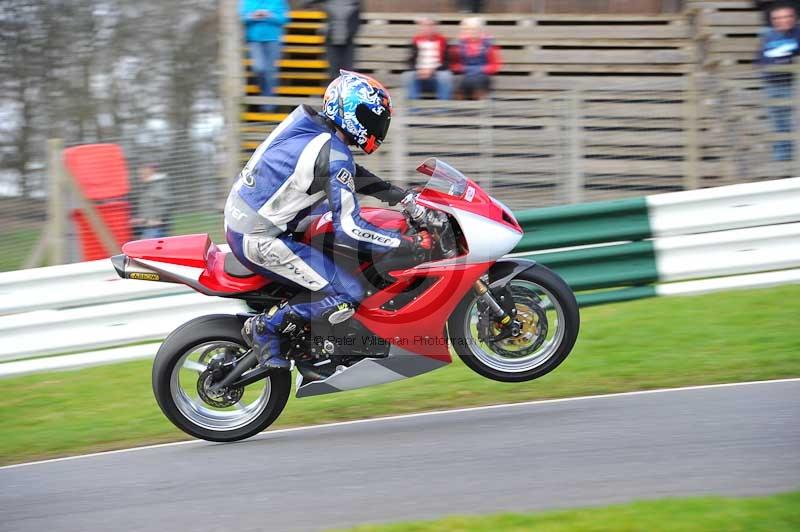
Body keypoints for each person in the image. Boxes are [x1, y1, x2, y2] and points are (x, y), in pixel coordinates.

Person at [224, 70, 432, 370]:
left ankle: (324, 338)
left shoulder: (310, 126)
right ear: (348, 110)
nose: (377, 125)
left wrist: (403, 199)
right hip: (260, 236)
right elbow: (350, 228)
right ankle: (266, 327)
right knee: (348, 291)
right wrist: (409, 244)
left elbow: (352, 176)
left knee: (340, 253)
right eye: (370, 116)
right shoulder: (331, 153)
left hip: (255, 220)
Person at [757, 1, 800, 161]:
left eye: (787, 17)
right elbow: (761, 59)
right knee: (779, 124)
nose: (784, 21)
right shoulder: (768, 35)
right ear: (773, 20)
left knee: (792, 123)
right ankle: (783, 161)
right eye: (779, 18)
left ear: (794, 18)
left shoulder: (798, 33)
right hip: (772, 84)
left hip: (793, 85)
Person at [240, 0, 289, 110]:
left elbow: (284, 19)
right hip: (254, 40)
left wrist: (269, 15)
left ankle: (269, 105)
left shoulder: (278, 2)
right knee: (259, 68)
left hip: (273, 39)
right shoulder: (248, 2)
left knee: (271, 71)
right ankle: (264, 95)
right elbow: (243, 17)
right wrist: (253, 16)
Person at [300, 0, 362, 79]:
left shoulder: (354, 3)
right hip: (332, 40)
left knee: (347, 73)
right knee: (334, 73)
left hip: (347, 41)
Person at [449, 17, 502, 100]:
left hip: (483, 76)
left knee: (477, 81)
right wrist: (467, 69)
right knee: (460, 83)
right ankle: (460, 110)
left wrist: (476, 69)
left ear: (480, 30)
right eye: (468, 29)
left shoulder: (489, 44)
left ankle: (479, 109)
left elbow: (495, 66)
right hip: (465, 76)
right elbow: (453, 66)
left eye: (475, 29)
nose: (472, 32)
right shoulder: (458, 44)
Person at [403, 17, 453, 100]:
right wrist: (419, 70)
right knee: (407, 76)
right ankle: (415, 110)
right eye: (424, 26)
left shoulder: (443, 41)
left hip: (437, 75)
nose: (428, 28)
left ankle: (443, 110)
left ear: (435, 27)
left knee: (446, 76)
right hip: (419, 75)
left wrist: (432, 70)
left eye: (431, 25)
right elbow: (409, 62)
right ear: (421, 28)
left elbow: (447, 62)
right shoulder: (415, 41)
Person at [132, 163, 170, 239]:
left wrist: (156, 219)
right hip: (147, 226)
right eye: (140, 174)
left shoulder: (159, 185)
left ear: (150, 171)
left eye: (142, 173)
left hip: (154, 226)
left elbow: (163, 204)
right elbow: (147, 206)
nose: (140, 176)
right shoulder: (148, 186)